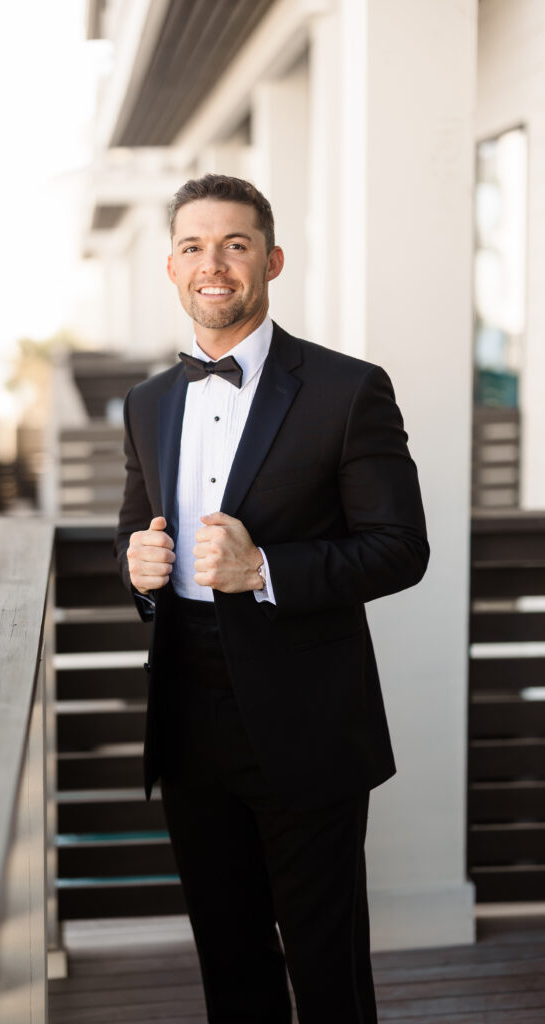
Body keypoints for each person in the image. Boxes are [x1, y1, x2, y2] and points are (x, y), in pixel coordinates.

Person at [115, 173, 429, 1024]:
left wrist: (265, 570)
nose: (211, 264)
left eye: (235, 244)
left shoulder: (347, 389)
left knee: (328, 971)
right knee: (229, 961)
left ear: (271, 260)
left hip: (308, 721)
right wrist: (137, 567)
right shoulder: (147, 402)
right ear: (171, 267)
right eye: (192, 246)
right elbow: (131, 532)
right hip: (186, 716)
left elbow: (401, 550)